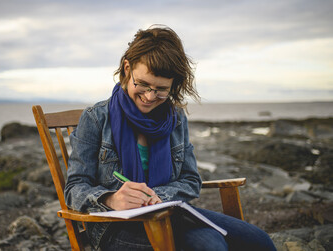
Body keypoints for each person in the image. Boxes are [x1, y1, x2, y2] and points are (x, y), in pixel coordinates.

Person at [64, 25, 276, 251]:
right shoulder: (96, 118)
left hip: (171, 216)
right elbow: (75, 187)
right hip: (115, 227)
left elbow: (191, 180)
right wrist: (111, 199)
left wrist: (158, 196)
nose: (149, 96)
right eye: (143, 84)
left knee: (259, 241)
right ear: (127, 68)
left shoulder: (175, 119)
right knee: (211, 245)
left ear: (173, 85)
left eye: (161, 90)